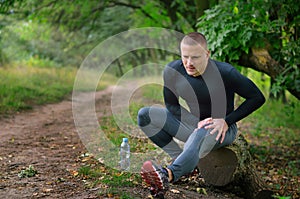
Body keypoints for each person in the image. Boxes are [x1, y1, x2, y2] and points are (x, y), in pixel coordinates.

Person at [137, 32, 265, 197]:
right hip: (194, 123)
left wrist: (226, 121)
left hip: (223, 129)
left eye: (195, 57)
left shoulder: (226, 72)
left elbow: (257, 97)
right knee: (145, 115)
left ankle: (167, 174)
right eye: (185, 57)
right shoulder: (172, 71)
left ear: (207, 54)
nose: (189, 63)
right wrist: (195, 121)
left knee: (201, 133)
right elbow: (171, 105)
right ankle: (183, 161)